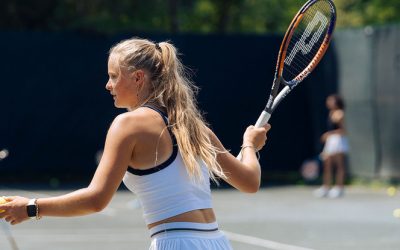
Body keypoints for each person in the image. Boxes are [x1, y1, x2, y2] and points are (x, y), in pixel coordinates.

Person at [0, 38, 271, 249]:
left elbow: (96, 199)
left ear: (138, 77)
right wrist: (249, 145)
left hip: (174, 243)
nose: (108, 85)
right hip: (217, 243)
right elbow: (250, 181)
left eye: (114, 76)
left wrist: (31, 207)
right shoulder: (193, 125)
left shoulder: (126, 125)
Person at [314, 94, 349, 198]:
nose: (328, 102)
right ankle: (326, 187)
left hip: (338, 141)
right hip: (331, 141)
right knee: (327, 164)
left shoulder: (340, 114)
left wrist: (328, 134)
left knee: (339, 165)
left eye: (331, 100)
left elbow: (344, 131)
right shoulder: (331, 113)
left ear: (336, 102)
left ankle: (339, 188)